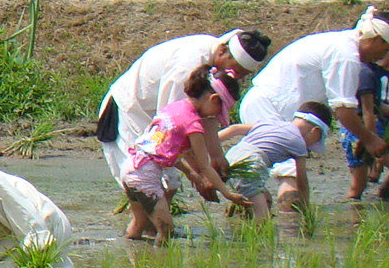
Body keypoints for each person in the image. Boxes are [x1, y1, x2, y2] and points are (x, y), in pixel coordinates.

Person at [238, 8, 389, 195]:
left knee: (292, 179)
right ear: (376, 39)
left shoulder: (342, 45)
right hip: (268, 109)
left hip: (278, 112)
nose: (382, 57)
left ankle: (284, 220)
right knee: (292, 180)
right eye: (384, 50)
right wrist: (370, 140)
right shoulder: (346, 55)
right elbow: (343, 111)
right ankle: (288, 220)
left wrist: (364, 136)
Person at [97, 29, 270, 183]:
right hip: (128, 111)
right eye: (236, 71)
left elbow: (207, 113)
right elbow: (174, 125)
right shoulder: (188, 65)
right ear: (223, 51)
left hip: (154, 118)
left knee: (168, 183)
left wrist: (217, 156)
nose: (235, 78)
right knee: (144, 181)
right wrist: (201, 173)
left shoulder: (214, 59)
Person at [122, 71, 250, 244]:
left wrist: (191, 174)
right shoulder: (193, 124)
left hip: (131, 167)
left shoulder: (174, 108)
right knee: (166, 230)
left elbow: (163, 151)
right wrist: (228, 194)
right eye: (219, 111)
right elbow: (205, 166)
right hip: (145, 177)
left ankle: (131, 256)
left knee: (138, 225)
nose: (216, 117)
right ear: (213, 99)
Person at [217, 103, 333, 216]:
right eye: (316, 142)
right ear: (315, 131)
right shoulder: (299, 142)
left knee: (265, 198)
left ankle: (239, 212)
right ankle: (257, 224)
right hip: (251, 163)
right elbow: (302, 181)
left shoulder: (271, 124)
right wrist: (306, 210)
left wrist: (208, 143)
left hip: (231, 156)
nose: (311, 147)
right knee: (262, 218)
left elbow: (234, 128)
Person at [346, 53, 389, 201]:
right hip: (359, 132)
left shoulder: (373, 71)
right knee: (359, 185)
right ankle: (354, 217)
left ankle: (382, 206)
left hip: (366, 131)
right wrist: (372, 140)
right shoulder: (365, 73)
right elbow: (367, 111)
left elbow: (377, 107)